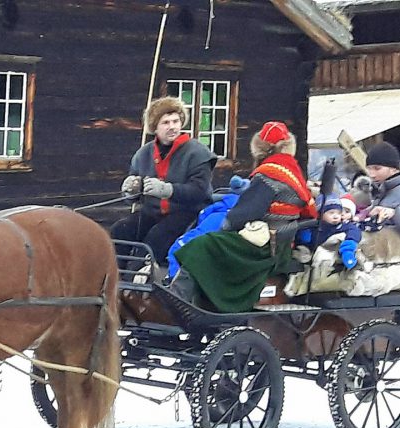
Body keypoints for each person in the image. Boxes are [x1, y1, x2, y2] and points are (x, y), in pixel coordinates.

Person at [172, 121, 317, 312]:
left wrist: (226, 226)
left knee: (201, 245)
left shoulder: (268, 174)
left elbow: (244, 214)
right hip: (280, 244)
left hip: (263, 247)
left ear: (262, 149)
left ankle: (178, 300)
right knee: (213, 243)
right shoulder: (293, 172)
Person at [111, 96, 217, 266]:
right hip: (152, 213)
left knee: (154, 240)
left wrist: (167, 190)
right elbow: (134, 194)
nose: (172, 127)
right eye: (166, 122)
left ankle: (143, 278)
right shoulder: (143, 154)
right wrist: (130, 191)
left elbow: (199, 192)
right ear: (155, 127)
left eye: (176, 121)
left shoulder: (197, 153)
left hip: (187, 213)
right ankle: (118, 277)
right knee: (120, 231)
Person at [164, 175, 250, 281]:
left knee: (177, 248)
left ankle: (172, 278)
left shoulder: (221, 203)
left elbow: (203, 214)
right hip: (222, 244)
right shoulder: (248, 211)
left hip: (204, 234)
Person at [360, 141, 400, 227]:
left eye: (377, 168)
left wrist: (393, 213)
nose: (371, 175)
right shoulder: (381, 190)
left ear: (394, 168)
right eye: (369, 169)